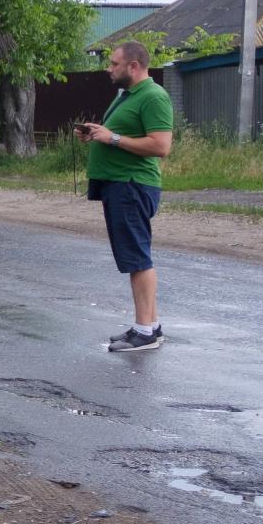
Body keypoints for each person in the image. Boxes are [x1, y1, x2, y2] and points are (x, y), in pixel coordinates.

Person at [77, 40, 174, 352]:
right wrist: (97, 133)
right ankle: (150, 325)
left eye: (114, 64)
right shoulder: (129, 95)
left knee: (137, 258)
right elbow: (119, 136)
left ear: (134, 66)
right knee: (135, 256)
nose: (109, 69)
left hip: (132, 185)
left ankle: (144, 332)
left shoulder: (154, 96)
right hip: (120, 185)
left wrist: (113, 138)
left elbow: (161, 146)